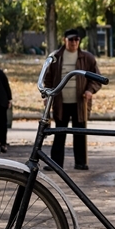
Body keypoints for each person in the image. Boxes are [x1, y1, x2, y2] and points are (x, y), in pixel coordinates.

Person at [43, 28, 101, 170]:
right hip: (61, 103)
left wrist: (89, 90)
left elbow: (96, 78)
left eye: (77, 39)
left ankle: (80, 163)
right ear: (65, 40)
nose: (74, 42)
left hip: (79, 103)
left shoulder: (87, 58)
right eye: (71, 40)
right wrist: (47, 95)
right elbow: (48, 79)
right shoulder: (56, 57)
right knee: (59, 133)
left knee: (79, 133)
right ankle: (55, 163)